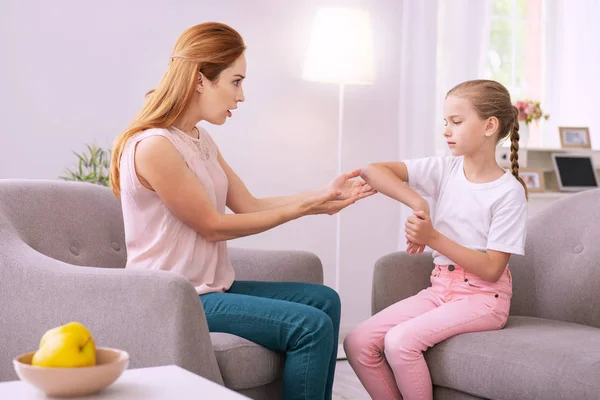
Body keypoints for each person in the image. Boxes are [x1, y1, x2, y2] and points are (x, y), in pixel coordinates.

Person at [109, 22, 374, 400]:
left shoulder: (200, 139)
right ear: (201, 79)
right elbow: (214, 227)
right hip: (172, 297)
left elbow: (247, 205)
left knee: (324, 300)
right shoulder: (155, 147)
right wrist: (304, 207)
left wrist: (322, 198)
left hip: (207, 288)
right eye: (236, 81)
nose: (242, 95)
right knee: (310, 326)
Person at [343, 79, 528, 400]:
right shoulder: (445, 170)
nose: (446, 130)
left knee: (400, 342)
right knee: (357, 341)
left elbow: (491, 270)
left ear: (490, 126)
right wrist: (419, 203)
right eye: (446, 122)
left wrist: (432, 237)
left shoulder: (508, 192)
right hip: (441, 289)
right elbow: (372, 170)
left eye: (456, 122)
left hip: (484, 299)